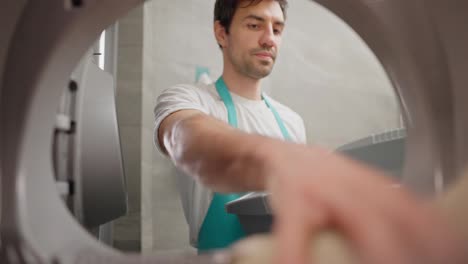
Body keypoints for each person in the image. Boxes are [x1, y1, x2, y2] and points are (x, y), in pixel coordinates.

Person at [154, 0, 466, 263]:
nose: (269, 39)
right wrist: (278, 160)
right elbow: (184, 137)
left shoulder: (291, 121)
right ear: (221, 32)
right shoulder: (189, 99)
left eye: (277, 29)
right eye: (254, 25)